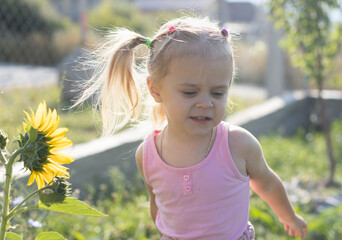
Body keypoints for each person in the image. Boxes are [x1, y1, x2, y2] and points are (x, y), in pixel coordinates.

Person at [75, 16, 307, 240]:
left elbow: (266, 182)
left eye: (217, 93)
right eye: (190, 92)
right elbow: (159, 207)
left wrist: (289, 216)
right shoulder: (147, 154)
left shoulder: (237, 144)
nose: (205, 103)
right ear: (155, 89)